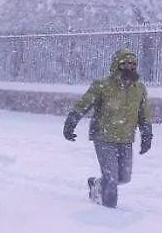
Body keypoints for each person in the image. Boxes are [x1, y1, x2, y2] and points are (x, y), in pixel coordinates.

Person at [62, 47, 152, 208]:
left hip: (125, 137)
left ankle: (96, 184)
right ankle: (108, 213)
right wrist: (71, 122)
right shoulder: (102, 85)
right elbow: (84, 104)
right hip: (103, 136)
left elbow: (144, 114)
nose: (130, 67)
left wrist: (147, 135)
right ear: (117, 64)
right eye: (125, 64)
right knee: (111, 179)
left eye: (133, 64)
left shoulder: (139, 89)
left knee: (124, 178)